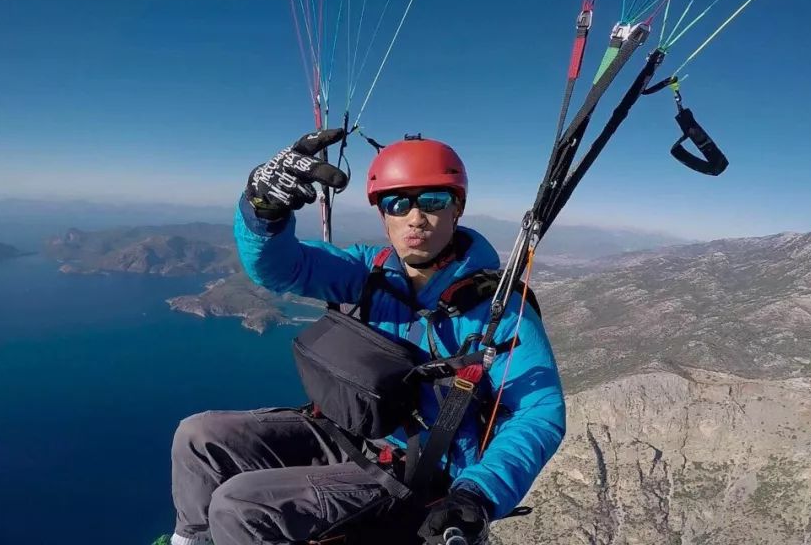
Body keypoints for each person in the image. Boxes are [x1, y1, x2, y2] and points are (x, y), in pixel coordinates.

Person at [161, 130, 565, 545]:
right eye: (398, 203)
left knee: (244, 506)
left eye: (433, 201)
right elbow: (281, 267)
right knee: (198, 437)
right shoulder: (368, 271)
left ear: (457, 207)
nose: (415, 217)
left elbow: (538, 410)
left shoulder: (497, 308)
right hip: (350, 432)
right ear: (382, 213)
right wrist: (263, 210)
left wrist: (478, 493)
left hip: (418, 470)